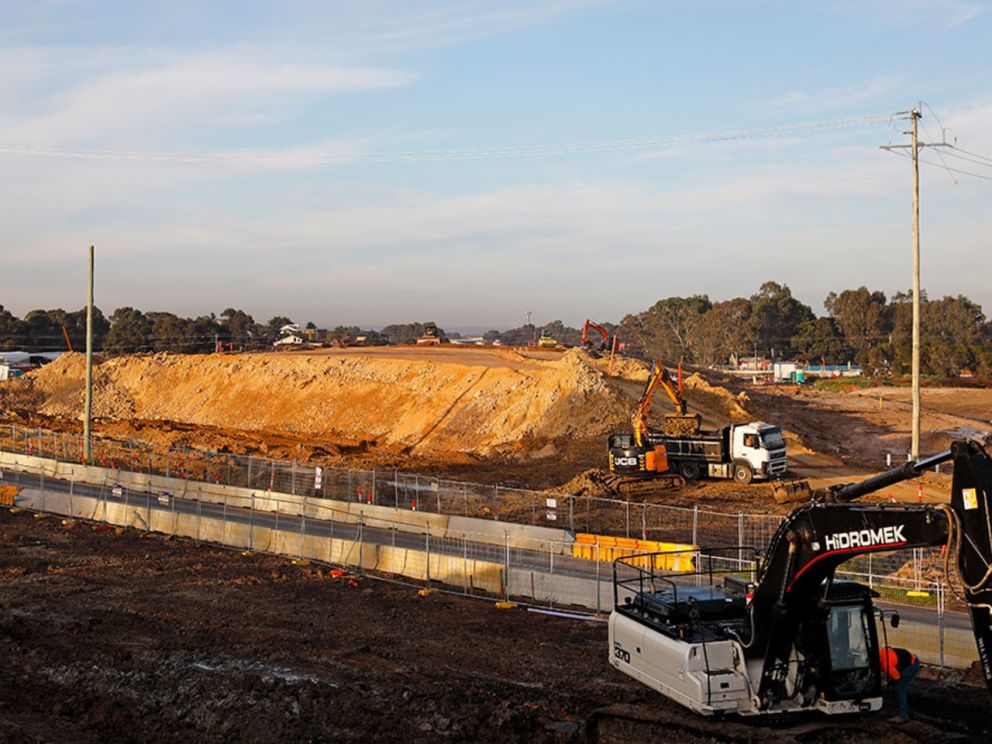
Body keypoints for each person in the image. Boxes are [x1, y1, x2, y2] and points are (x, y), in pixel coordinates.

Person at [879, 645, 921, 723]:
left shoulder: (886, 665)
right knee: (895, 686)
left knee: (899, 688)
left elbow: (897, 677)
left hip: (911, 665)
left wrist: (888, 684)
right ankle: (897, 710)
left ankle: (903, 716)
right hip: (903, 663)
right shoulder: (880, 653)